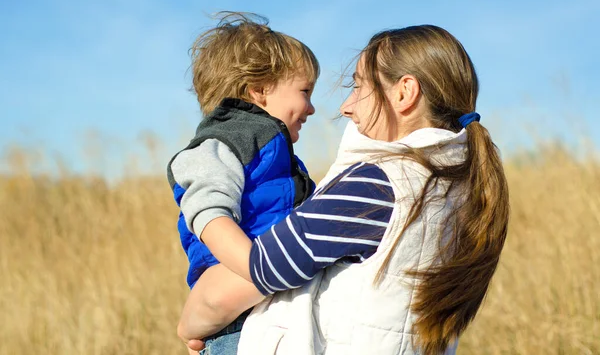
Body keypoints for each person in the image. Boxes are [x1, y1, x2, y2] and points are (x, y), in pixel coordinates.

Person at [178, 24, 509, 355]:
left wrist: (191, 325)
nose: (345, 107)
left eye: (358, 85)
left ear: (404, 92)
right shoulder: (455, 193)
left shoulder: (379, 186)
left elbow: (262, 268)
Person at [167, 12, 319, 355]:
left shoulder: (274, 153)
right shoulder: (222, 145)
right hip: (241, 315)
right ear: (259, 90)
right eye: (305, 91)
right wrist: (260, 266)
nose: (311, 108)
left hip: (272, 304)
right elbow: (209, 214)